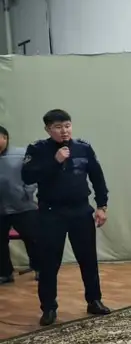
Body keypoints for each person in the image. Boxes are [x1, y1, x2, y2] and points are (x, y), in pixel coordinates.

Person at [21, 109, 111, 326]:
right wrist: (55, 161)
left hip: (81, 210)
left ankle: (94, 300)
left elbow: (97, 177)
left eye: (67, 126)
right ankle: (49, 308)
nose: (64, 131)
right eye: (58, 127)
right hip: (51, 213)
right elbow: (27, 176)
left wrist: (102, 206)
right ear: (48, 129)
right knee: (49, 263)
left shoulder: (83, 147)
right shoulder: (37, 149)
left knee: (88, 259)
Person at [0, 125, 40, 284]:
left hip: (23, 206)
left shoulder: (21, 154)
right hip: (1, 208)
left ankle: (40, 268)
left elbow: (33, 175)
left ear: (5, 138)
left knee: (33, 238)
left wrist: (27, 192)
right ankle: (5, 273)